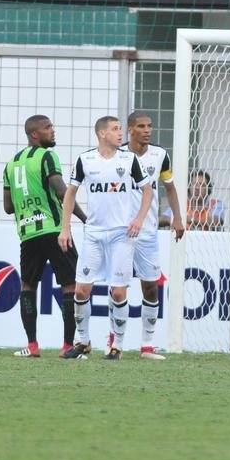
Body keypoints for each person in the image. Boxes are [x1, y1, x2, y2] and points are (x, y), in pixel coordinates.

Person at [60, 116, 152, 360]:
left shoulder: (129, 159)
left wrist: (139, 219)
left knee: (119, 293)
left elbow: (148, 190)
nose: (120, 133)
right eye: (114, 129)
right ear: (102, 134)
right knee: (81, 290)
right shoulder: (85, 159)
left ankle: (117, 346)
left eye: (120, 129)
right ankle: (84, 342)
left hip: (121, 234)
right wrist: (65, 228)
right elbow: (70, 194)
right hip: (94, 234)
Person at [3, 115, 86, 358]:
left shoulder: (11, 164)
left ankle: (32, 346)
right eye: (48, 127)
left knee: (28, 285)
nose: (53, 130)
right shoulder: (47, 156)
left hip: (28, 234)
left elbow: (8, 207)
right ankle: (67, 346)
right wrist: (83, 218)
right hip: (53, 229)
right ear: (34, 134)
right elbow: (61, 189)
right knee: (70, 284)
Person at [120, 111, 184, 359]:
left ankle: (146, 346)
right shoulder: (119, 156)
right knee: (118, 289)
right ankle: (115, 343)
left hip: (148, 233)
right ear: (130, 130)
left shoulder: (160, 155)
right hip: (121, 233)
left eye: (149, 126)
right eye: (141, 126)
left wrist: (177, 218)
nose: (147, 130)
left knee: (150, 288)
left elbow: (170, 187)